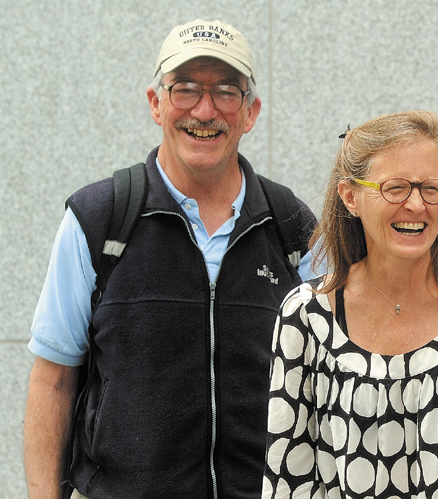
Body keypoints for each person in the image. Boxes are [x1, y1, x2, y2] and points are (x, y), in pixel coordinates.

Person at [24, 19, 316, 499]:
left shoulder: (294, 228)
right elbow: (53, 380)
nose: (205, 110)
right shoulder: (99, 220)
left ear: (250, 112)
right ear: (156, 103)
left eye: (226, 91)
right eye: (185, 89)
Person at [262, 111, 438, 499]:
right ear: (351, 197)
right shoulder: (306, 316)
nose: (416, 205)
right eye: (395, 188)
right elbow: (288, 478)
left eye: (431, 188)